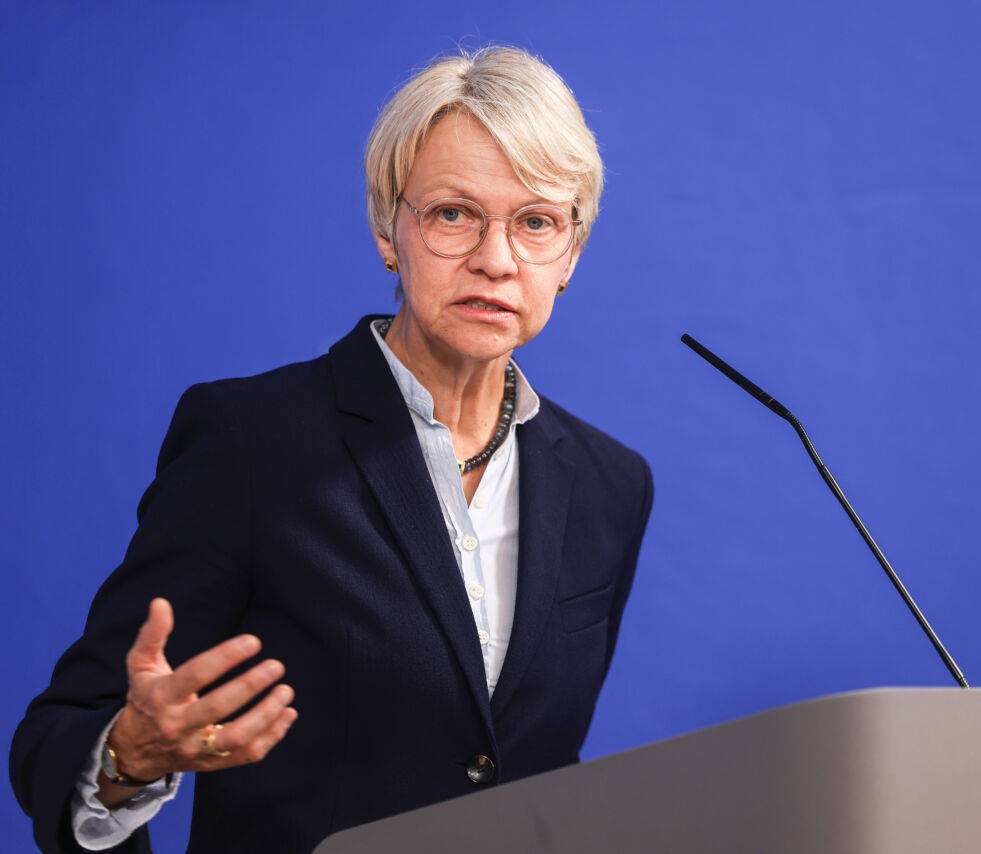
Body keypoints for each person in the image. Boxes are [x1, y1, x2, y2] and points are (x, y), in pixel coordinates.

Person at [10, 46, 653, 852]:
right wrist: (127, 758)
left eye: (535, 223)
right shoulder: (251, 443)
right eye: (454, 214)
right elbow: (60, 735)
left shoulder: (609, 485)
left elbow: (537, 765)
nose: (496, 259)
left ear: (572, 255)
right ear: (388, 230)